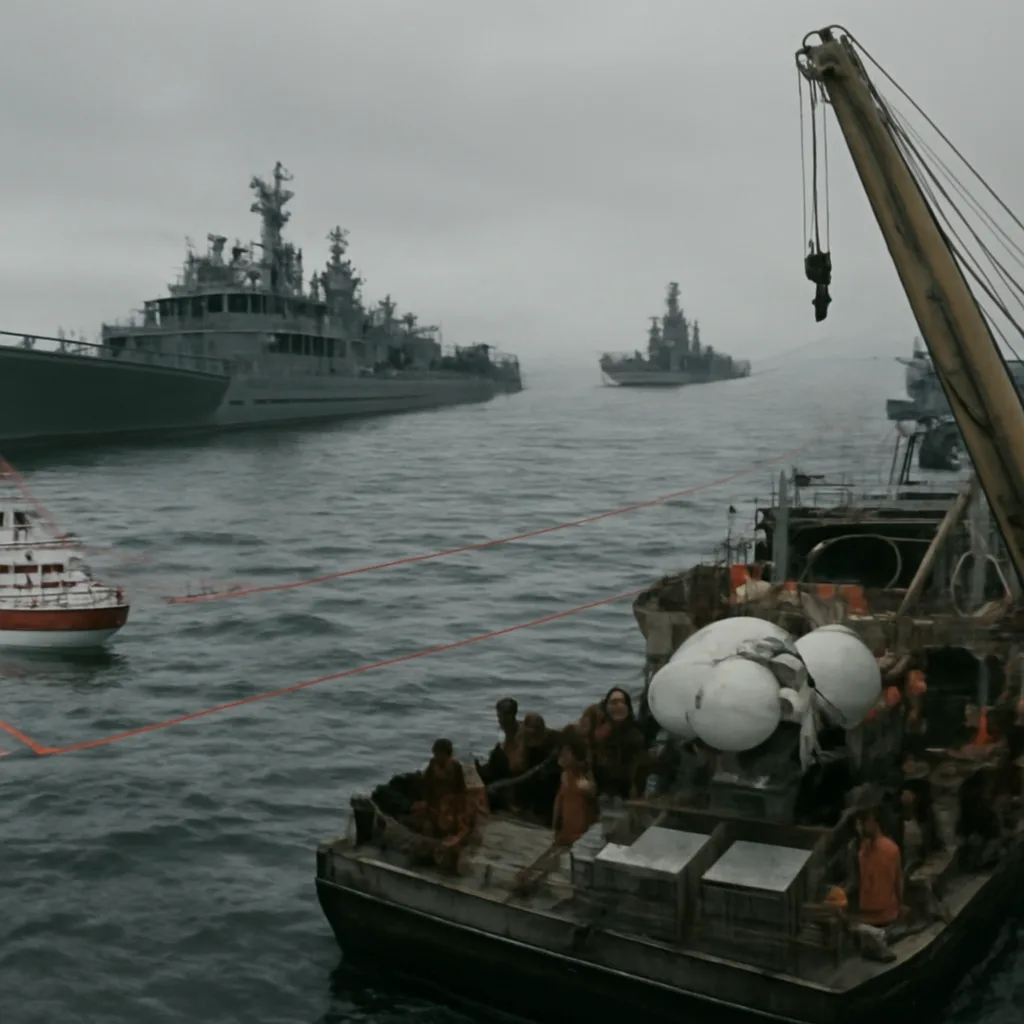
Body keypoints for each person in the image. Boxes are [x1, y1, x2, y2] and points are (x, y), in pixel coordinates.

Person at [577, 687, 649, 799]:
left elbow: (640, 763)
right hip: (598, 778)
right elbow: (581, 746)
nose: (618, 706)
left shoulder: (634, 733)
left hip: (623, 782)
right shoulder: (595, 722)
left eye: (622, 702)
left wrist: (637, 789)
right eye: (614, 702)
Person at [413, 738, 473, 871]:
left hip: (450, 806)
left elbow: (461, 790)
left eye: (440, 754)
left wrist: (458, 807)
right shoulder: (431, 768)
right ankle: (429, 852)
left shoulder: (456, 768)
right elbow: (426, 790)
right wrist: (425, 803)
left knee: (454, 827)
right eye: (436, 754)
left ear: (448, 755)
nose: (437, 757)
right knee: (427, 826)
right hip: (435, 807)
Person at [552, 732, 599, 847]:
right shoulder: (566, 776)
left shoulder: (583, 782)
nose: (561, 755)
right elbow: (558, 806)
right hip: (565, 836)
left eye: (565, 752)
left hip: (579, 838)